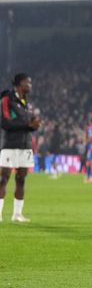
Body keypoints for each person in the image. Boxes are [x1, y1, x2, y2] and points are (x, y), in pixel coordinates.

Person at [0, 73, 40, 223]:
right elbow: (5, 123)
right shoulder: (6, 99)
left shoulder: (25, 102)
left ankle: (17, 215)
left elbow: (27, 125)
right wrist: (27, 125)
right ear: (18, 84)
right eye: (27, 83)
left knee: (21, 180)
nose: (30, 85)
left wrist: (34, 125)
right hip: (10, 145)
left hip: (25, 146)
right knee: (3, 179)